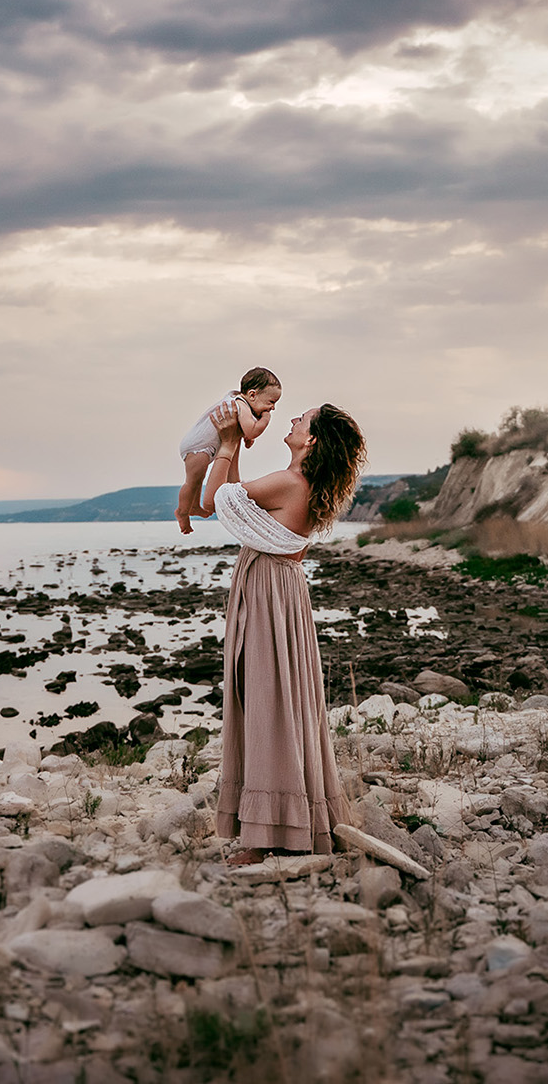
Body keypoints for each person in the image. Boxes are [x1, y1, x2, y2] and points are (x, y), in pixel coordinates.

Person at [195, 398, 366, 862]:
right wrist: (235, 452)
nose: (292, 420)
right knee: (271, 698)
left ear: (310, 439)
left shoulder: (290, 482)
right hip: (278, 588)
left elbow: (211, 502)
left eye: (301, 419)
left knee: (267, 702)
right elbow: (238, 503)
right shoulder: (297, 484)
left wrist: (229, 442)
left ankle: (264, 834)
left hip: (269, 590)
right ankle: (275, 819)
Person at [175, 368, 282, 534]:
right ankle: (182, 512)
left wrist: (247, 437)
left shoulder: (237, 401)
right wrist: (265, 420)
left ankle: (194, 506)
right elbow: (252, 430)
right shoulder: (240, 405)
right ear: (252, 395)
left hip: (199, 445)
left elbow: (244, 429)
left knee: (198, 479)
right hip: (197, 448)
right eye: (271, 402)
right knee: (193, 481)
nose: (273, 408)